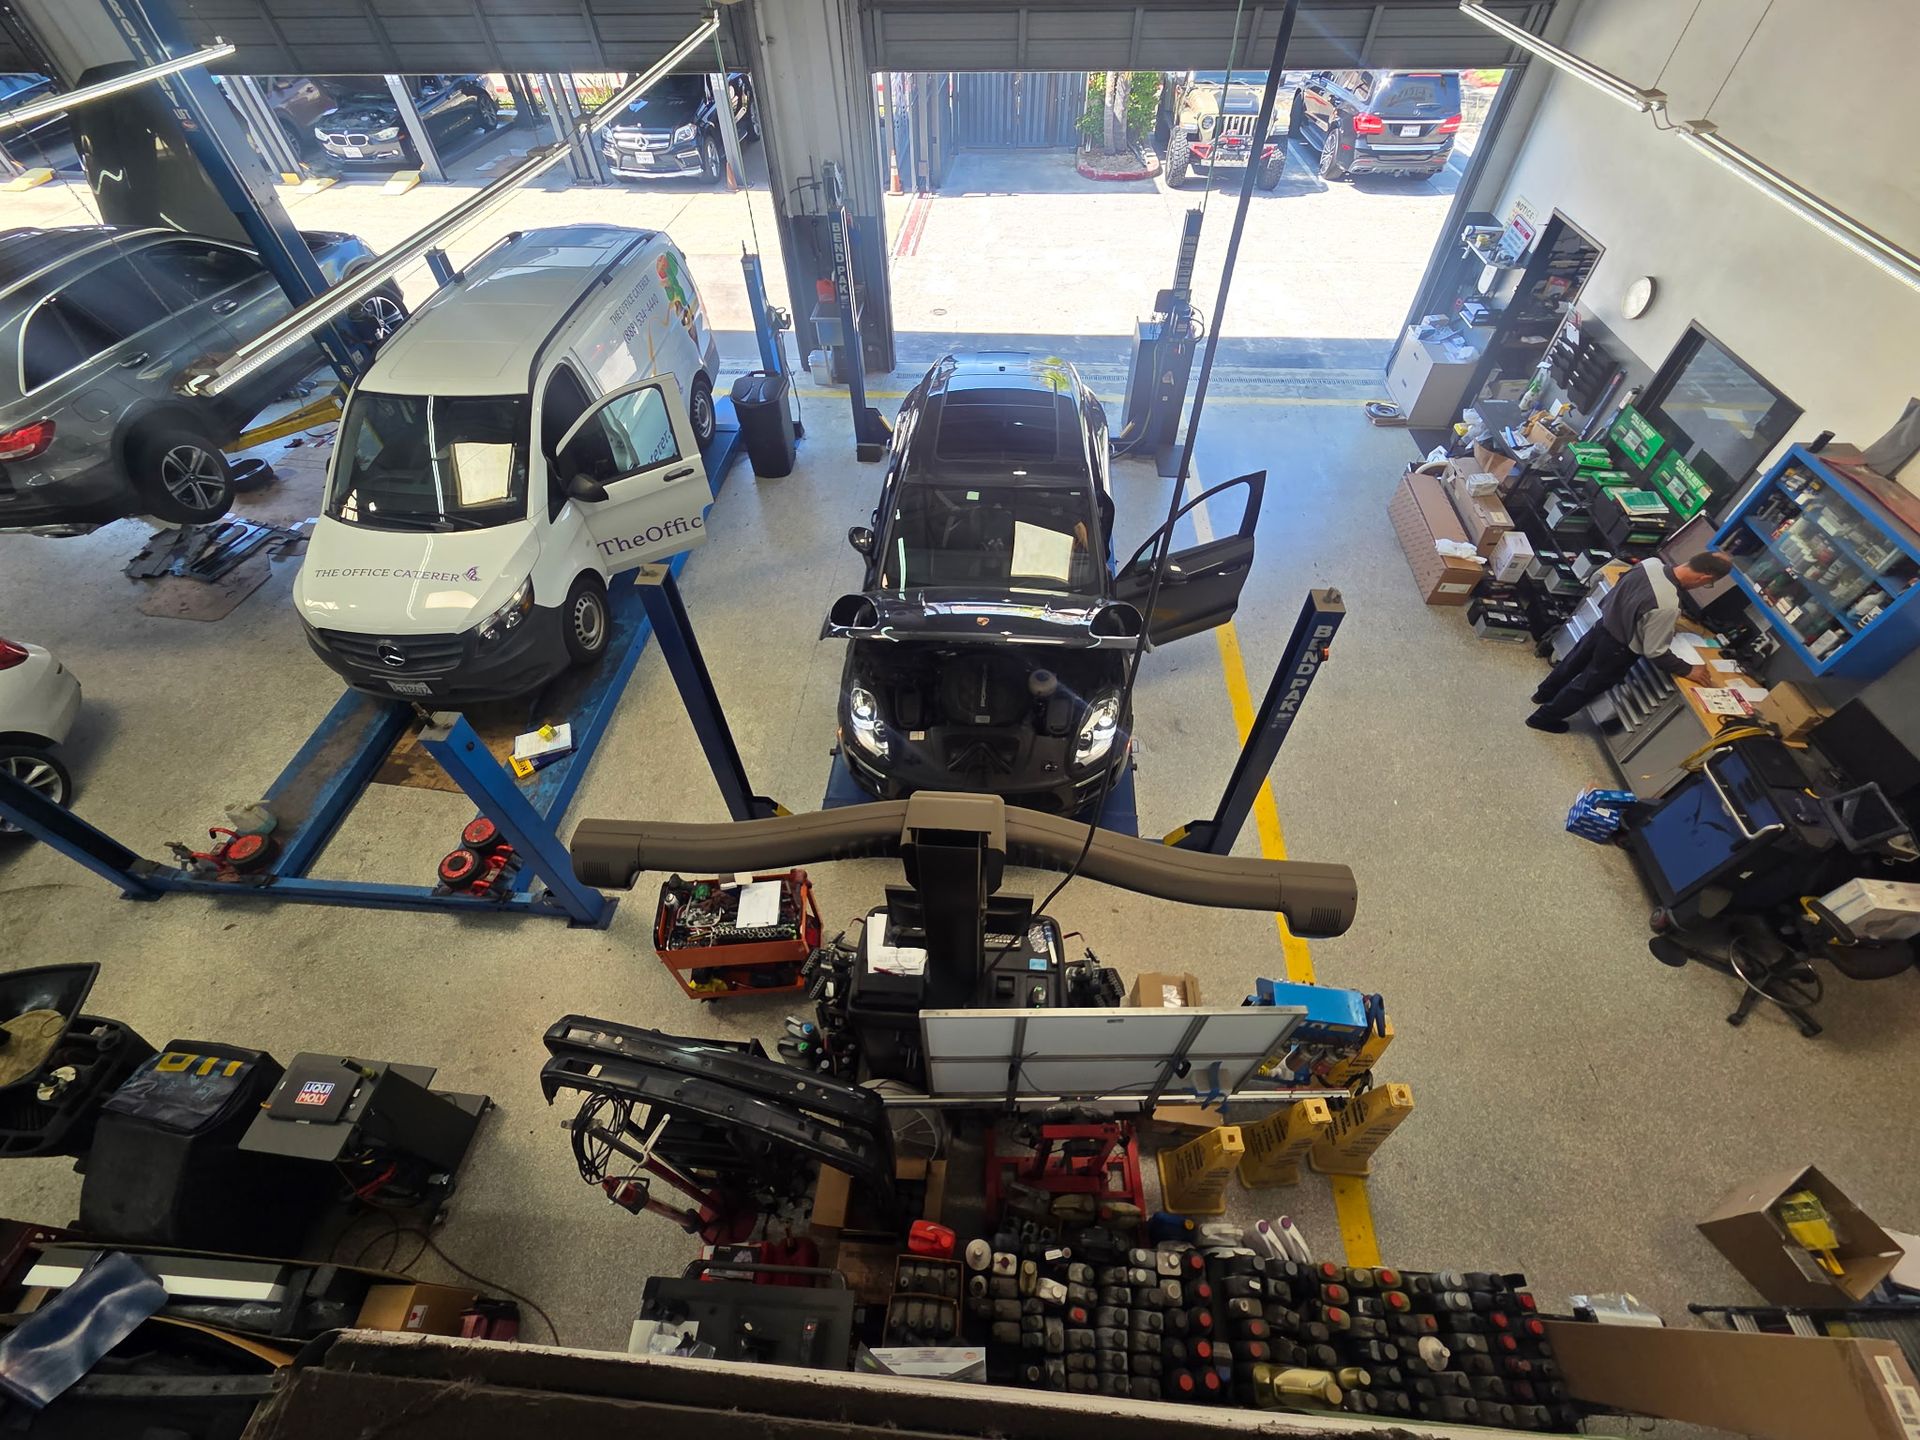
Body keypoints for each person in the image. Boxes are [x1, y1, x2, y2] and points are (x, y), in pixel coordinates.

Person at [1526, 551, 1733, 733]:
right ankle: (1543, 719)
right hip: (1618, 649)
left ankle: (1542, 694)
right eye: (1709, 583)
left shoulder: (1650, 563)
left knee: (1572, 663)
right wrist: (1688, 670)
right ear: (1705, 577)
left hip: (1602, 626)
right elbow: (1655, 651)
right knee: (1585, 686)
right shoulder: (1668, 604)